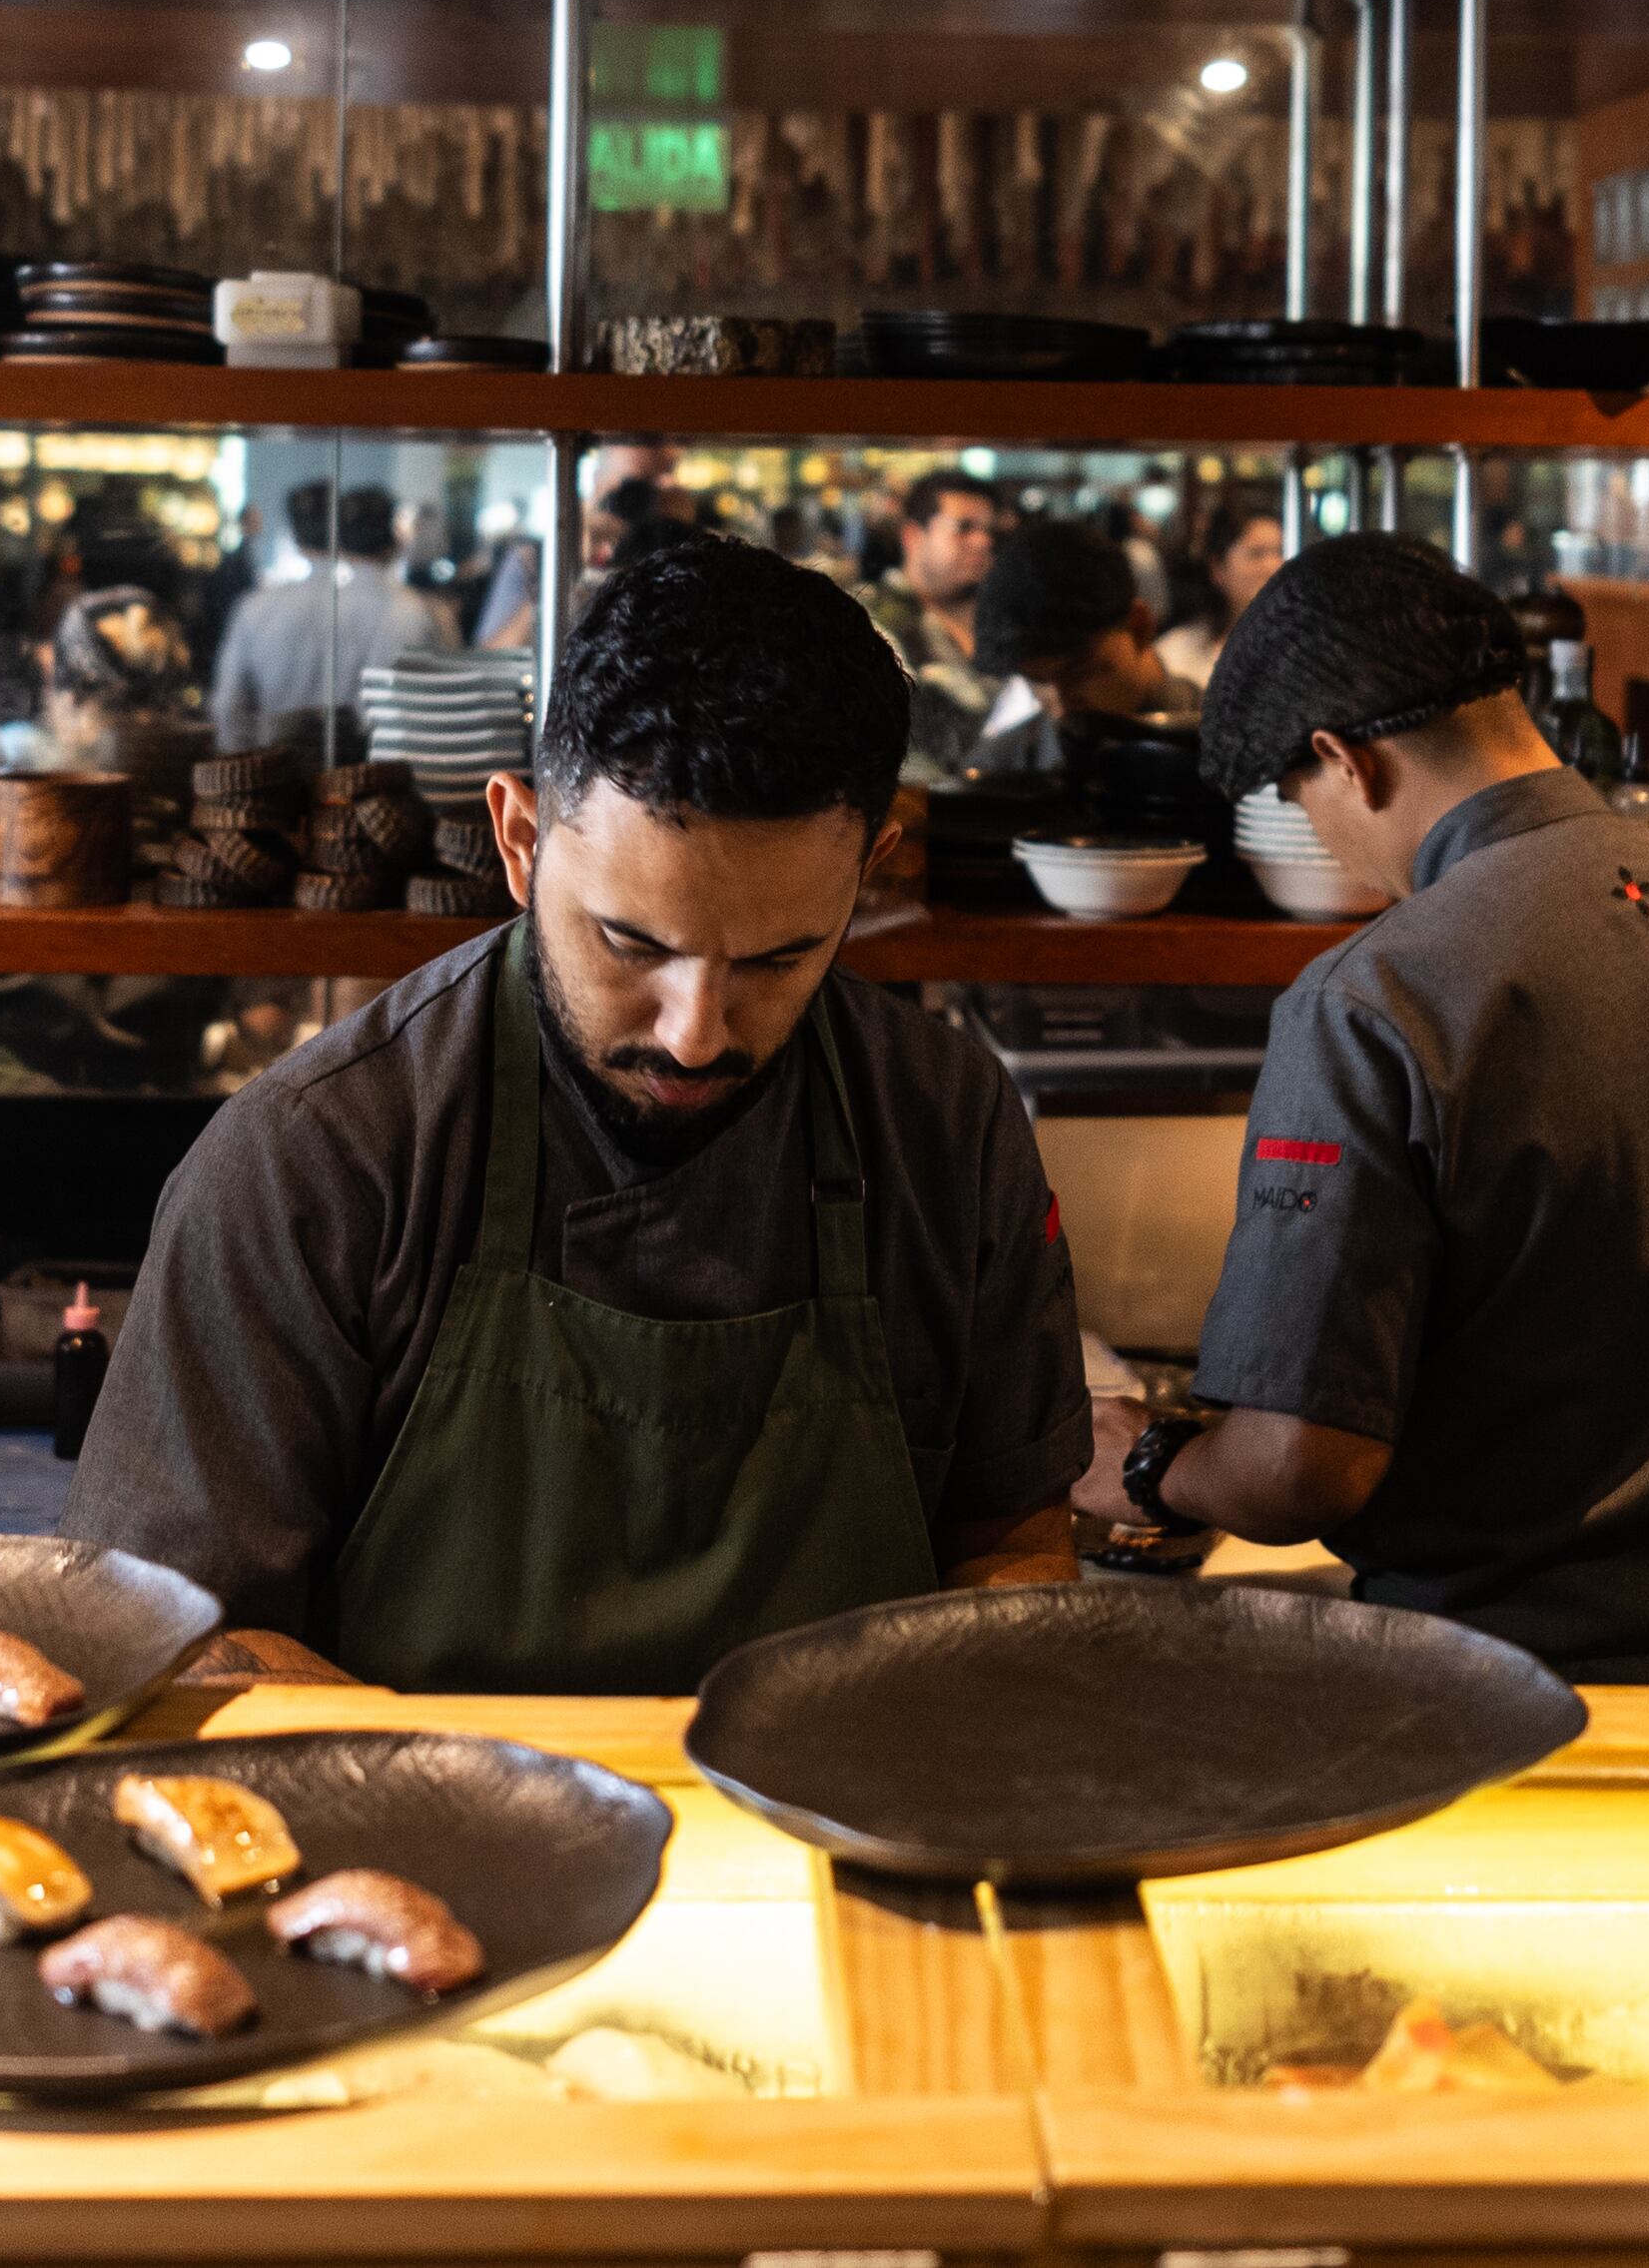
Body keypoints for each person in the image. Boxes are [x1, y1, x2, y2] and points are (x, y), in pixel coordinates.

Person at [66, 538, 1087, 1692]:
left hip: (832, 1830)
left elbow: (1011, 1538)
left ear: (874, 871)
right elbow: (177, 1634)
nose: (696, 1029)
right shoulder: (314, 1156)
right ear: (519, 838)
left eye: (779, 956)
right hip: (428, 1837)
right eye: (631, 943)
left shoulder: (944, 1125)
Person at [1078, 534, 1649, 1689]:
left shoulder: (1373, 997)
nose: (1320, 836)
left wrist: (1145, 1461)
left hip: (1510, 1699)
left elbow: (1297, 1469)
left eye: (1297, 798)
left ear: (1345, 760)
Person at [211, 484, 450, 756]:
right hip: (375, 776)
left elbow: (228, 708)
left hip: (277, 774)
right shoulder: (415, 609)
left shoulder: (256, 607)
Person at [966, 517, 1208, 774]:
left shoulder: (1223, 742)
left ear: (1140, 626)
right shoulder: (1002, 767)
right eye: (1037, 682)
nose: (1061, 707)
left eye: (1081, 673)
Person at [868, 471, 1008, 772]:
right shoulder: (874, 623)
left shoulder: (994, 620)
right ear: (913, 536)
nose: (983, 541)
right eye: (963, 527)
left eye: (989, 531)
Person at [1152, 498, 1285, 686]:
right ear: (1217, 568)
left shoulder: (1302, 648)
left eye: (1279, 552)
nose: (1275, 566)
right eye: (1257, 554)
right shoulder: (1174, 655)